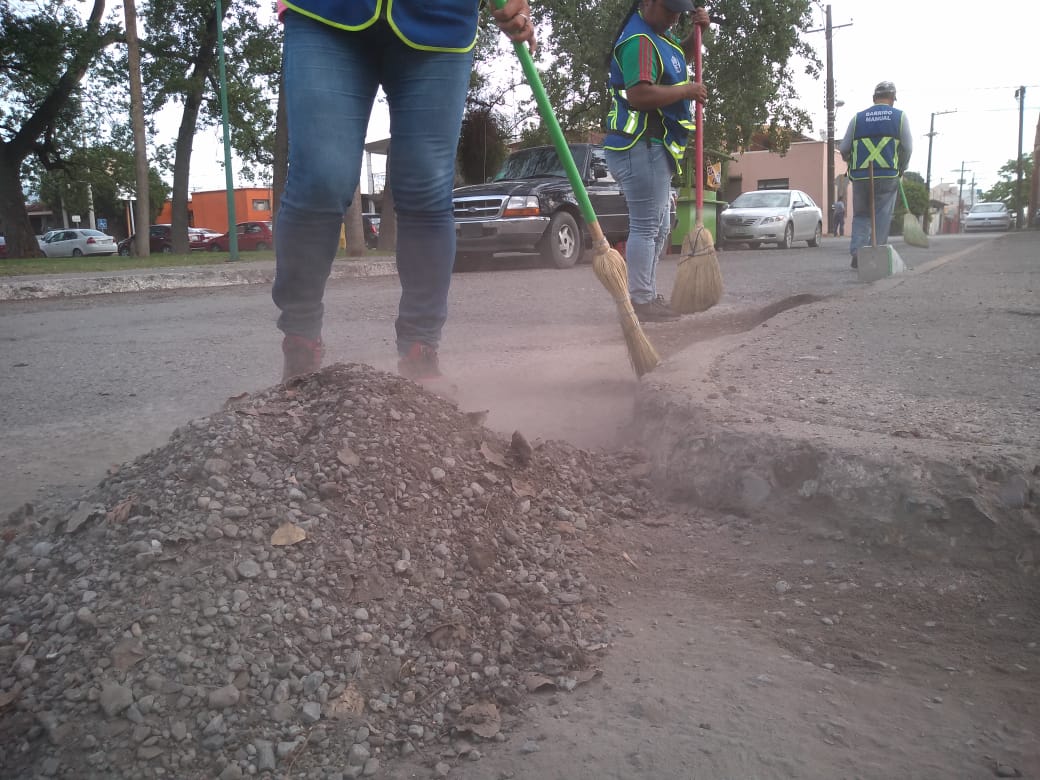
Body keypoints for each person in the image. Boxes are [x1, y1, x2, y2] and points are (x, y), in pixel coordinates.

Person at [273, 0, 537, 382]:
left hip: (440, 19)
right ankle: (300, 340)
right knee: (320, 178)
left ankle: (420, 351)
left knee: (427, 187)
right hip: (326, 12)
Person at [603, 0, 710, 322]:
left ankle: (646, 294)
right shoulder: (640, 40)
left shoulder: (659, 37)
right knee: (647, 226)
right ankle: (641, 300)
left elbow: (676, 61)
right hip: (640, 144)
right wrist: (687, 91)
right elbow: (639, 94)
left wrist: (698, 33)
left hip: (653, 146)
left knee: (660, 226)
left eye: (679, 11)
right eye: (668, 9)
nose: (674, 17)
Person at [839, 80, 912, 269]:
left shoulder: (857, 119)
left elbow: (844, 148)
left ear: (874, 98)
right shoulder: (899, 117)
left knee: (861, 215)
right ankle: (875, 255)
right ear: (892, 99)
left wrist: (850, 161)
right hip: (888, 175)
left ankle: (858, 253)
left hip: (861, 176)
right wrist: (902, 167)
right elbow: (907, 148)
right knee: (882, 215)